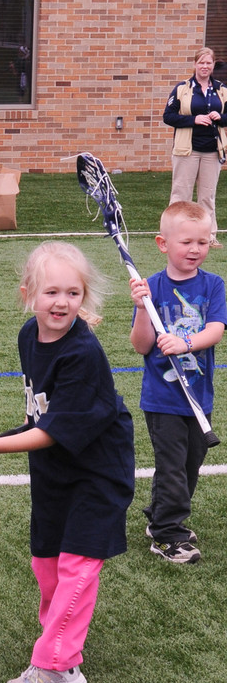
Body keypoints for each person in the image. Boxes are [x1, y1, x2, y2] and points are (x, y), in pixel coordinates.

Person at [0, 241, 135, 683]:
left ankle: (57, 665)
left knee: (77, 565)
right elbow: (42, 415)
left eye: (73, 293)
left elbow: (55, 430)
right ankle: (60, 643)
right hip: (56, 468)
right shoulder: (27, 336)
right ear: (28, 295)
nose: (62, 303)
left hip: (97, 472)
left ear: (85, 297)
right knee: (47, 564)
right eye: (52, 292)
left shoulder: (83, 355)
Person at [129, 201, 226, 564]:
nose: (196, 249)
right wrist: (142, 309)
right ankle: (169, 534)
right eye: (187, 242)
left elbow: (215, 330)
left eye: (204, 242)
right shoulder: (150, 288)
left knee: (190, 464)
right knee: (171, 465)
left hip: (199, 398)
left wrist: (185, 342)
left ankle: (159, 517)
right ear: (163, 243)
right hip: (162, 398)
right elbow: (140, 345)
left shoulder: (213, 285)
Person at [163, 47, 227, 248]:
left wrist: (221, 117)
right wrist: (194, 119)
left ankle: (208, 236)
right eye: (201, 62)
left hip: (212, 150)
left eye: (208, 63)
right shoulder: (182, 88)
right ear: (194, 65)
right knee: (181, 194)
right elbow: (168, 116)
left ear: (213, 65)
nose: (205, 66)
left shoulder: (222, 90)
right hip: (187, 150)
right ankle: (171, 235)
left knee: (207, 196)